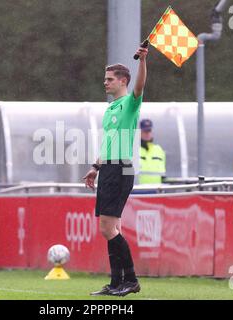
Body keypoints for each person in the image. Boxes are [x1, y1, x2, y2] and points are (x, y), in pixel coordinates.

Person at [83, 43, 148, 296]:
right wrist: (95, 167)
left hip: (121, 169)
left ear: (123, 81)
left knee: (107, 229)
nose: (105, 83)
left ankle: (130, 280)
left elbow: (140, 85)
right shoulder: (110, 109)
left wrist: (142, 60)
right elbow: (109, 143)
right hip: (108, 168)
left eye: (109, 79)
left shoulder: (130, 103)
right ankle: (116, 283)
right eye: (105, 79)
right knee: (111, 229)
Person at [138, 119, 166, 184]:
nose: (147, 134)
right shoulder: (133, 150)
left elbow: (163, 172)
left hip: (156, 190)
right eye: (145, 131)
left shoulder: (159, 150)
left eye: (149, 131)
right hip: (138, 190)